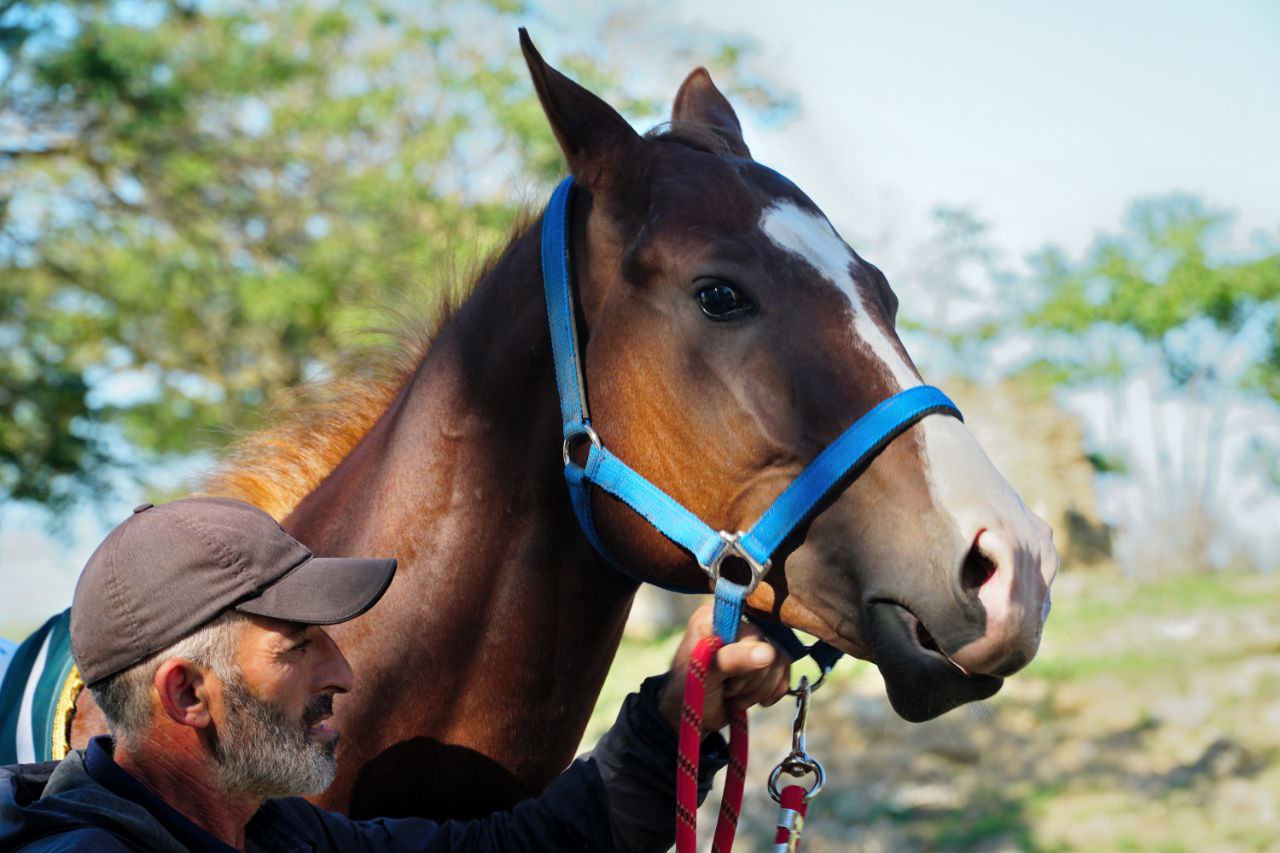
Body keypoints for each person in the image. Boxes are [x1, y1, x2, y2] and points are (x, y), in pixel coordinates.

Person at [0, 497, 788, 851]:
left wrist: (671, 720)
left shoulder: (279, 832)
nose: (341, 671)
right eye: (297, 645)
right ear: (187, 693)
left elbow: (525, 846)